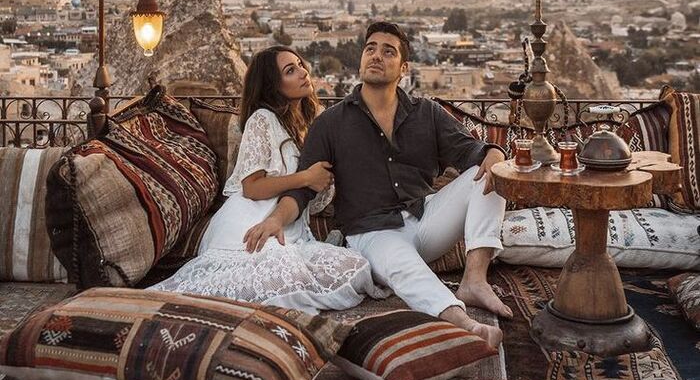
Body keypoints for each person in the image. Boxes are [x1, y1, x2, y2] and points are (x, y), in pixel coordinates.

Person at [244, 22, 510, 348]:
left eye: (388, 51)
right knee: (401, 265)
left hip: (425, 217)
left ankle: (474, 280)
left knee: (492, 174)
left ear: (404, 67)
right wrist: (274, 219)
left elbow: (473, 151)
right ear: (361, 58)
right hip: (371, 231)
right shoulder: (330, 123)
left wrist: (495, 152)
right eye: (370, 48)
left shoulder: (427, 113)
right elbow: (302, 189)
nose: (376, 56)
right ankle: (461, 322)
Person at [151, 46, 387, 313]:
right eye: (290, 70)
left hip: (290, 226)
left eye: (299, 64)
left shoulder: (310, 123)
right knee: (279, 284)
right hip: (249, 218)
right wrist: (305, 177)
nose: (303, 72)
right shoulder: (262, 120)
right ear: (273, 86)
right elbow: (251, 187)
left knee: (354, 269)